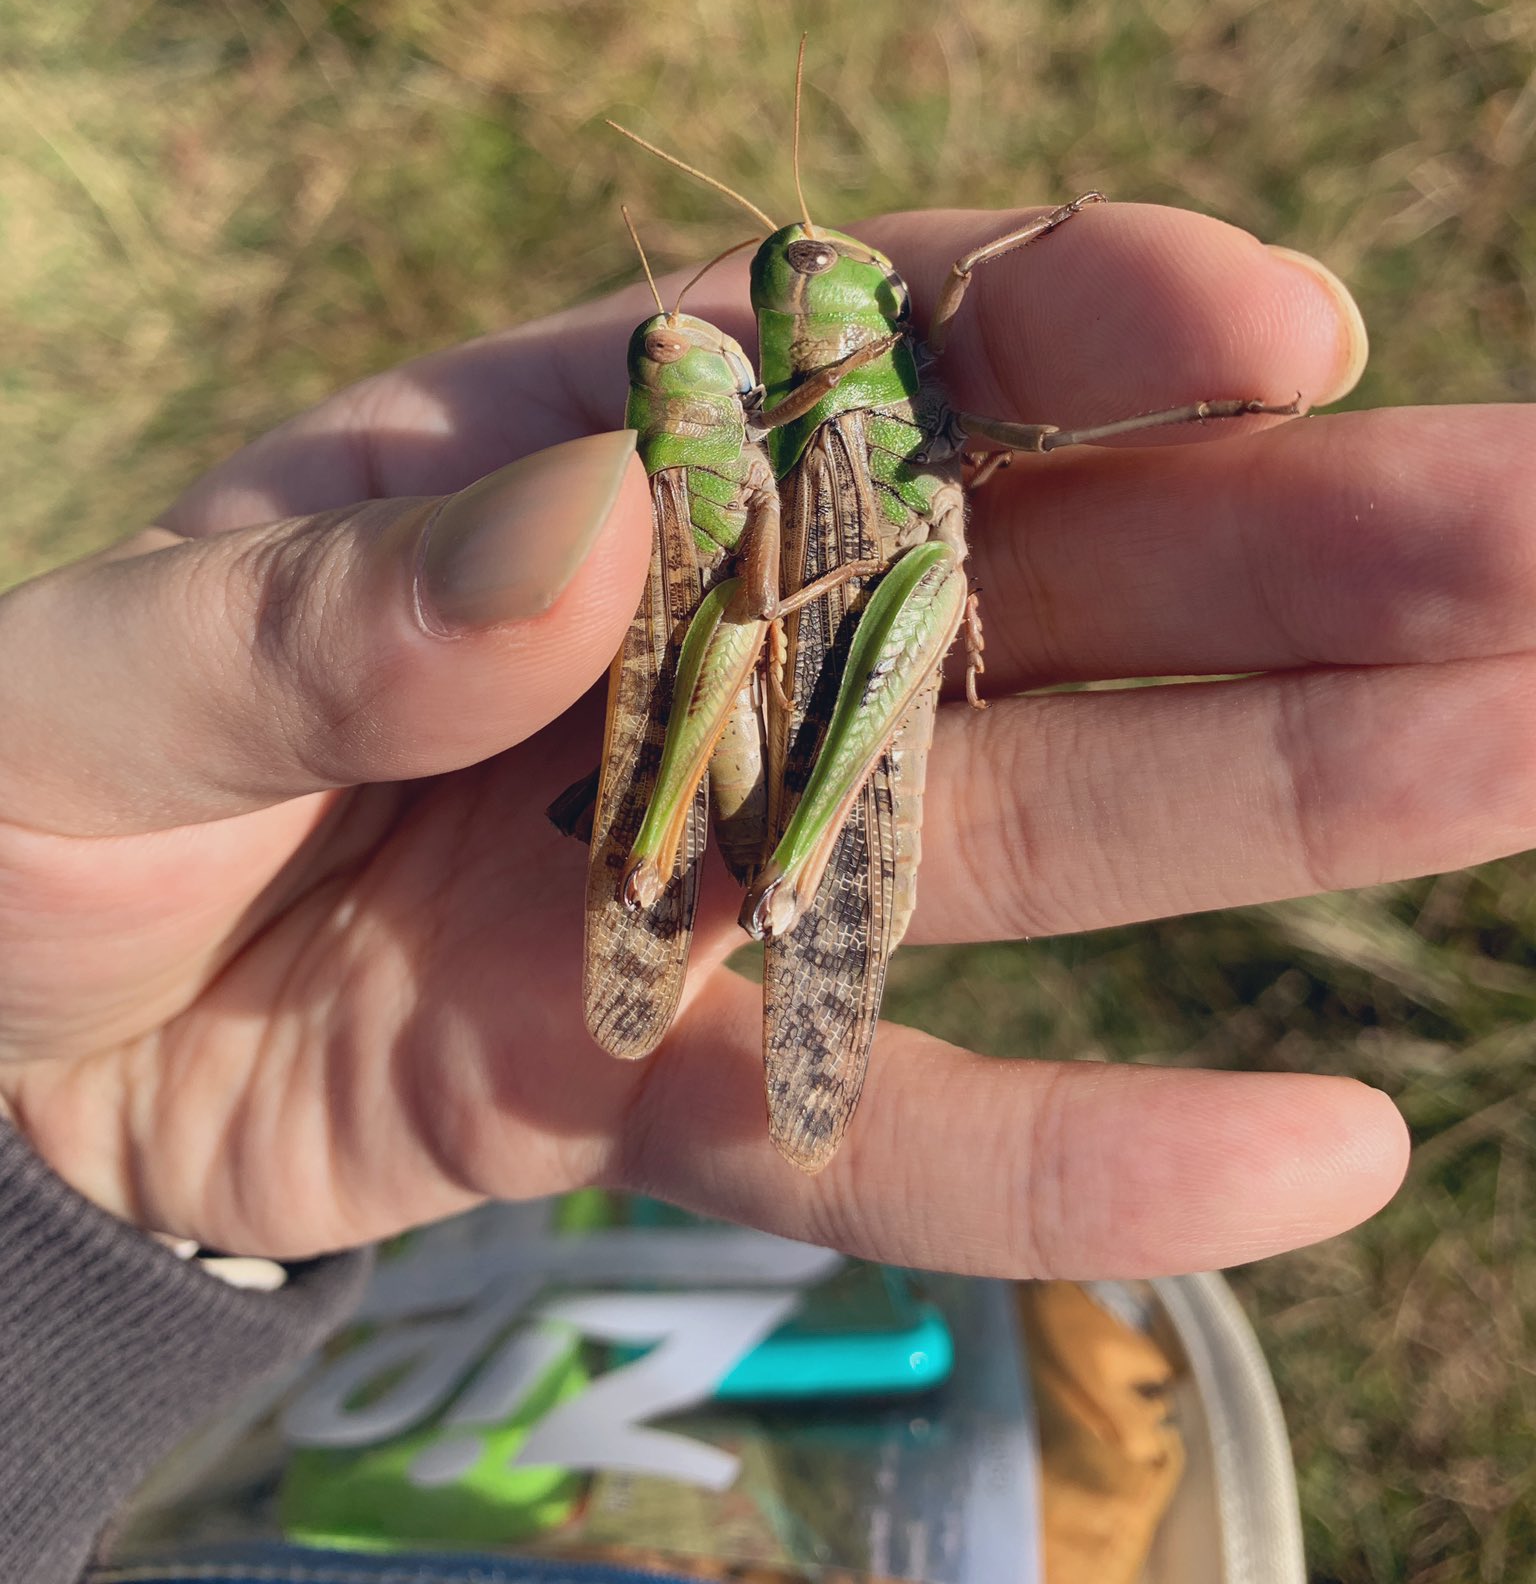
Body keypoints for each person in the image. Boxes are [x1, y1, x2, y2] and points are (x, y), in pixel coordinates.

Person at [3, 198, 1524, 1581]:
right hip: (779, 704)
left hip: (800, 703)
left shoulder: (831, 421)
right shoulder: (800, 441)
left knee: (809, 619)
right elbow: (871, 531)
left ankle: (750, 873)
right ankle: (759, 879)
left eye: (803, 288)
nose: (802, 288)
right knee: (797, 615)